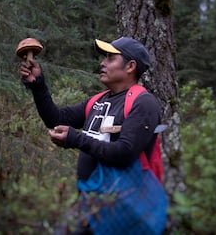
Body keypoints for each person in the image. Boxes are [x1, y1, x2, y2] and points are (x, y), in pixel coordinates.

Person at [19, 37, 161, 234]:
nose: (102, 63)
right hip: (90, 201)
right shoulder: (98, 101)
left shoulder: (143, 103)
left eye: (111, 58)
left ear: (130, 66)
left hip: (122, 206)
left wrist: (76, 139)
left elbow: (124, 153)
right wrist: (38, 84)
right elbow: (56, 118)